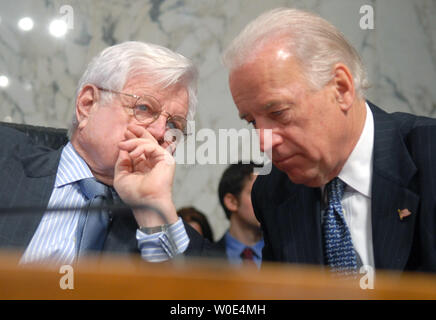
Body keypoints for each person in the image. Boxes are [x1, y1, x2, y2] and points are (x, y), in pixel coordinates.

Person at [219, 8, 436, 273]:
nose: (264, 141)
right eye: (252, 121)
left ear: (341, 88)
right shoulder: (272, 191)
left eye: (278, 113)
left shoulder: (429, 153)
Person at [0, 41, 201, 265]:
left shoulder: (166, 231)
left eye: (174, 124)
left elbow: (187, 295)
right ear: (88, 104)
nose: (160, 132)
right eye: (143, 108)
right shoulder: (5, 155)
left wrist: (152, 205)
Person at [216, 163, 264, 268]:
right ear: (232, 202)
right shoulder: (205, 258)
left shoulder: (284, 252)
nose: (267, 201)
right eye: (256, 193)